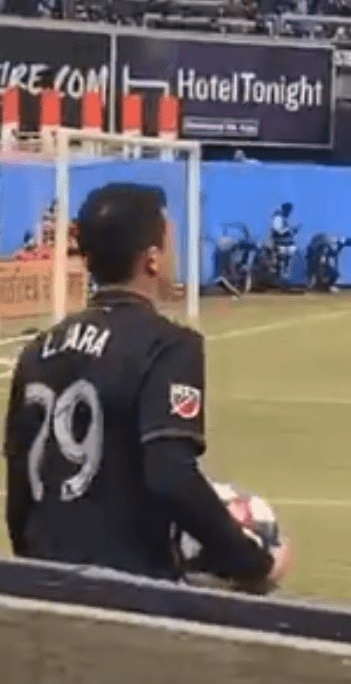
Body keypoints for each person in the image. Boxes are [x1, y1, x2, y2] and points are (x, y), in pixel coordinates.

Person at [4, 183, 291, 592]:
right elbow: (171, 476)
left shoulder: (36, 352)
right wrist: (252, 563)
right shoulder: (169, 345)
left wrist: (35, 573)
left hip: (45, 586)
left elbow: (19, 493)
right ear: (152, 260)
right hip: (129, 592)